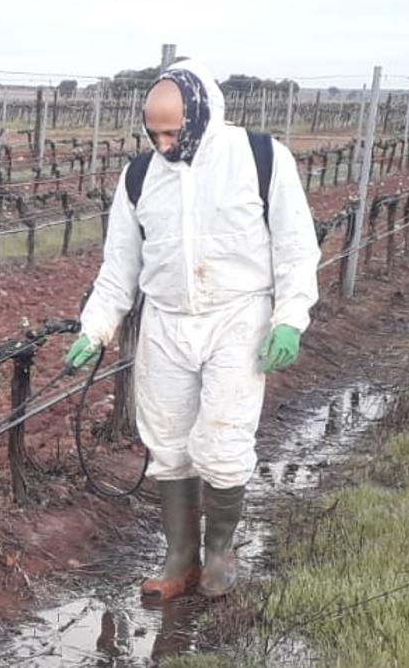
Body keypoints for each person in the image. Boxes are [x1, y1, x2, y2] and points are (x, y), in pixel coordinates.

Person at [65, 60, 320, 600]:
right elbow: (120, 266)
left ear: (202, 116)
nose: (162, 143)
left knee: (224, 441)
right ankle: (179, 558)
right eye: (152, 132)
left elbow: (296, 247)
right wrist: (96, 327)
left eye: (173, 132)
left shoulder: (260, 158)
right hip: (166, 321)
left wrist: (290, 319)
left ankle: (220, 551)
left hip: (237, 316)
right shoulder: (139, 177)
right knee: (168, 442)